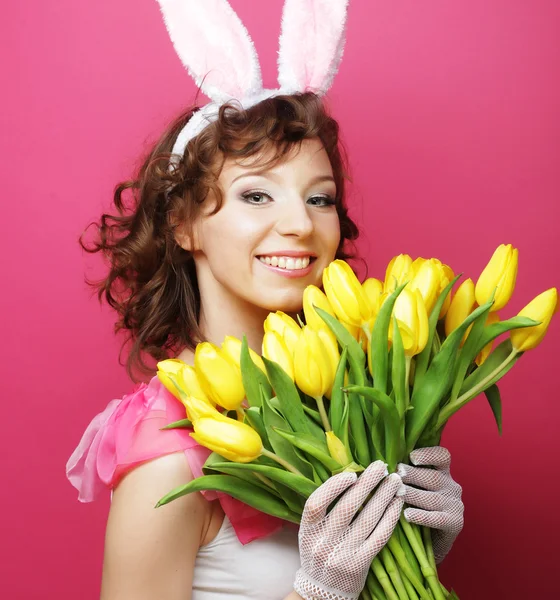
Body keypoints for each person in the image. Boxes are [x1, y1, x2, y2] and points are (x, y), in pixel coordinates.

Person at [67, 2, 464, 599]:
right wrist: (318, 591)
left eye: (320, 199)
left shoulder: (347, 405)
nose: (300, 226)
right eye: (256, 196)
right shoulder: (170, 462)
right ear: (184, 225)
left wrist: (407, 553)